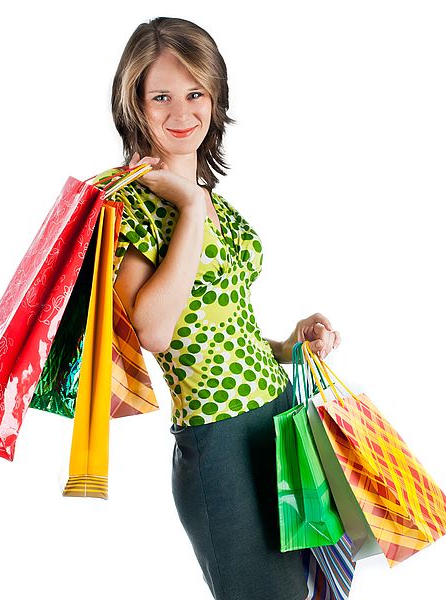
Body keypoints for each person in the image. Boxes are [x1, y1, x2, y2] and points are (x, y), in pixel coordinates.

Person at [93, 17, 341, 600]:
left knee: (305, 590)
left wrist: (291, 345)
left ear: (215, 97)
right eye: (161, 96)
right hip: (219, 440)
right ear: (134, 104)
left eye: (195, 92)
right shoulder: (126, 207)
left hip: (279, 418)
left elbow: (223, 318)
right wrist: (191, 209)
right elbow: (152, 330)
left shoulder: (213, 202)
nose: (181, 111)